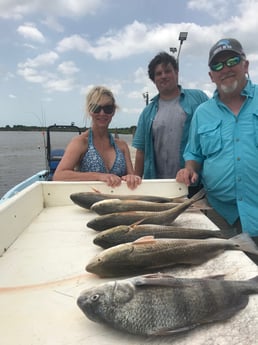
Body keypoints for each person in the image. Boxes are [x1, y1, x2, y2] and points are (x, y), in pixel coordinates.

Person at [176, 38, 258, 244]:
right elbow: (194, 154)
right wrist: (190, 169)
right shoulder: (202, 113)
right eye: (217, 65)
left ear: (245, 65)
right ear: (211, 76)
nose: (225, 69)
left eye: (232, 61)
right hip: (220, 216)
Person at [132, 51, 208, 196]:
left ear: (177, 73)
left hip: (192, 184)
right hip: (158, 186)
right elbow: (141, 151)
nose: (164, 76)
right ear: (153, 79)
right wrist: (137, 179)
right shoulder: (147, 112)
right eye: (158, 73)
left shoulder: (198, 98)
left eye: (168, 71)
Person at [53, 86, 141, 190]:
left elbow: (132, 177)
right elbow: (59, 175)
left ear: (113, 112)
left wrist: (131, 178)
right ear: (90, 110)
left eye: (108, 109)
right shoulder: (81, 142)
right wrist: (98, 176)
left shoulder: (122, 146)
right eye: (96, 108)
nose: (102, 113)